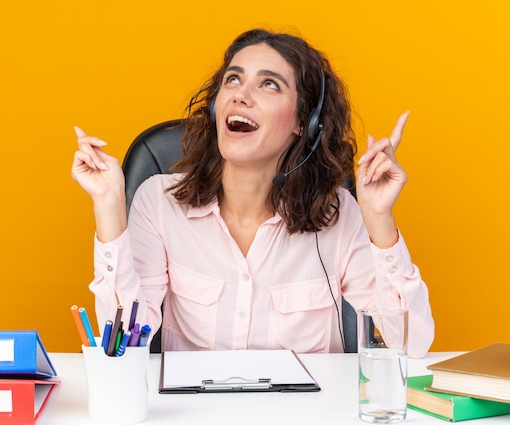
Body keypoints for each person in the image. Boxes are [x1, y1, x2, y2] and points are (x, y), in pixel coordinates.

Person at [71, 28, 434, 357]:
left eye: (269, 84)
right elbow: (121, 343)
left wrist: (379, 220)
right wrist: (109, 206)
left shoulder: (340, 215)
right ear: (216, 107)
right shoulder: (159, 201)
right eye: (233, 80)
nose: (240, 96)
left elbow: (412, 345)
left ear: (303, 124)